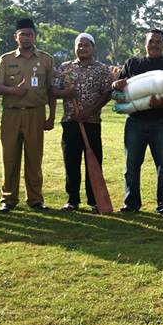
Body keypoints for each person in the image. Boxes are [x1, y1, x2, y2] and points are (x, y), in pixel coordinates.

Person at [113, 29, 163, 217]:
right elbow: (118, 93)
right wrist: (115, 85)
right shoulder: (132, 63)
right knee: (132, 166)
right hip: (135, 122)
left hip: (161, 122)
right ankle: (131, 203)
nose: (155, 44)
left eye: (158, 41)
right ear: (145, 43)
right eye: (151, 41)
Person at [0, 18, 56, 212]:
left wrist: (51, 117)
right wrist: (13, 91)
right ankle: (8, 199)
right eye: (22, 34)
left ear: (35, 36)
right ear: (16, 37)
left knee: (34, 158)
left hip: (35, 113)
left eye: (30, 34)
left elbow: (51, 90)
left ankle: (36, 199)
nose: (26, 37)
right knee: (9, 157)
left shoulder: (46, 59)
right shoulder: (6, 59)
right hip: (11, 114)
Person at [53, 33, 113, 212]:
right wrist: (66, 94)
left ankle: (94, 200)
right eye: (79, 45)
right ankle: (72, 199)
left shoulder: (102, 69)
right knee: (71, 161)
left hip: (92, 123)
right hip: (71, 123)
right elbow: (53, 90)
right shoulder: (65, 68)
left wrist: (89, 111)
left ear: (93, 48)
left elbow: (107, 93)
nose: (82, 48)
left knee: (93, 161)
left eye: (86, 45)